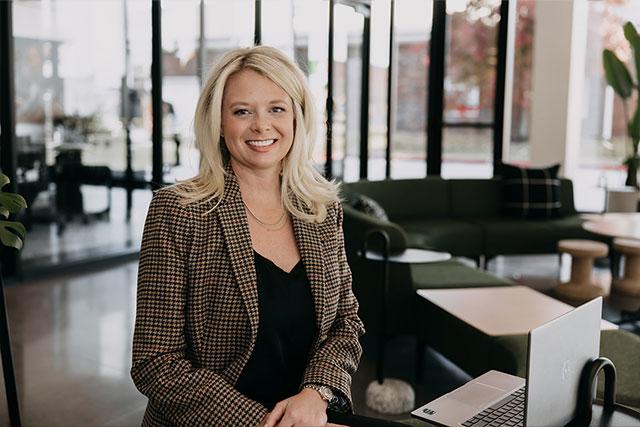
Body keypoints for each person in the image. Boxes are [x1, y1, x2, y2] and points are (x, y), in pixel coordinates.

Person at [130, 45, 365, 426]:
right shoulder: (179, 211)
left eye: (277, 108)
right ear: (219, 122)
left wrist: (316, 393)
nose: (262, 126)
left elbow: (345, 321)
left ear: (297, 117)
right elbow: (156, 362)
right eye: (242, 111)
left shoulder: (321, 210)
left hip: (308, 416)